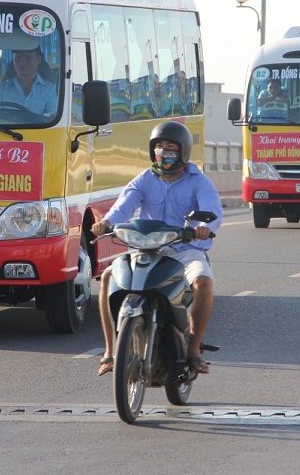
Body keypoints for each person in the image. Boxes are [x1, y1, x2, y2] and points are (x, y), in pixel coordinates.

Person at [92, 121, 222, 377]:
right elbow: (124, 205)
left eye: (171, 147)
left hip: (184, 248)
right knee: (107, 277)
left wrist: (201, 227)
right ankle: (110, 352)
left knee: (203, 283)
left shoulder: (199, 182)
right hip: (146, 246)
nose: (164, 151)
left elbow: (212, 213)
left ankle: (194, 351)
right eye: (159, 147)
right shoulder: (144, 179)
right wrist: (106, 222)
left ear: (183, 151)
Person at [0, 47, 57, 117]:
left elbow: (53, 117)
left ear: (38, 59)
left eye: (27, 58)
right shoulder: (1, 89)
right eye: (18, 58)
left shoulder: (50, 90)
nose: (22, 62)